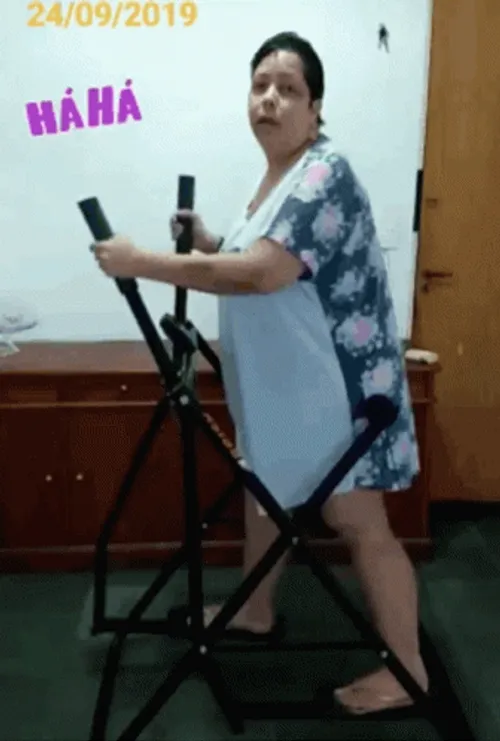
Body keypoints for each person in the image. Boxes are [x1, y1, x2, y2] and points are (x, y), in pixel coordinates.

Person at [92, 31, 428, 715]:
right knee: (265, 489)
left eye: (288, 88)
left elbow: (264, 273)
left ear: (316, 107)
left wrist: (143, 261)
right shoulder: (279, 175)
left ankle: (408, 673)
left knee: (360, 523)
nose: (269, 99)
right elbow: (271, 258)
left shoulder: (324, 173)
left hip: (339, 392)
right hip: (289, 387)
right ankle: (256, 609)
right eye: (260, 86)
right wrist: (209, 241)